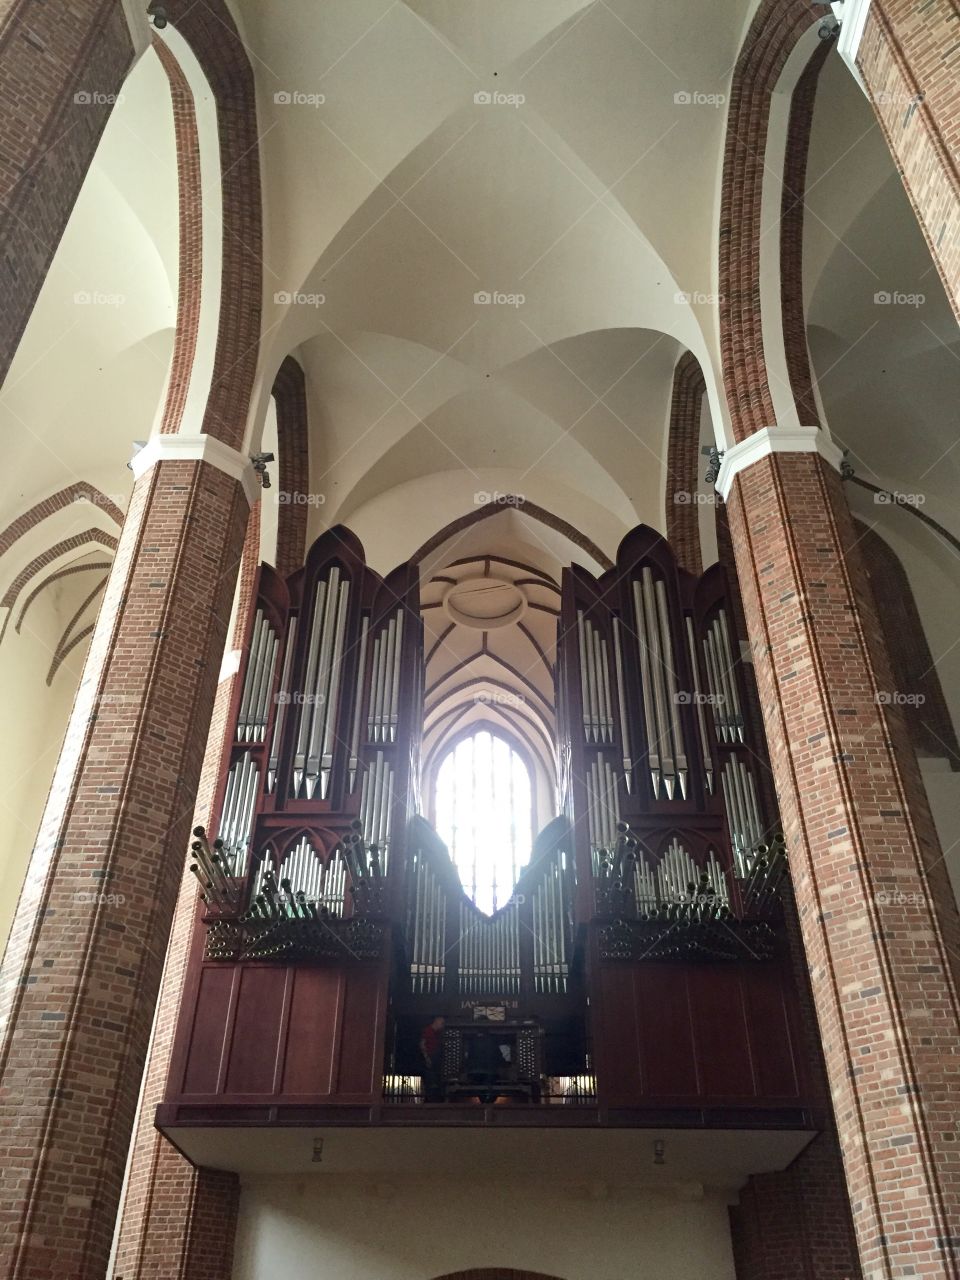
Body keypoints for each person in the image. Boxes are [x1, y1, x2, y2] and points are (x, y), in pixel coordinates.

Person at [419, 1015, 445, 1102]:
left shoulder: (437, 1033)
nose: (442, 1026)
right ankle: (429, 1099)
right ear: (436, 1021)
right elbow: (422, 1044)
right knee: (430, 1080)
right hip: (430, 1058)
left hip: (435, 1058)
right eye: (441, 1023)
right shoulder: (428, 1031)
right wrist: (427, 1058)